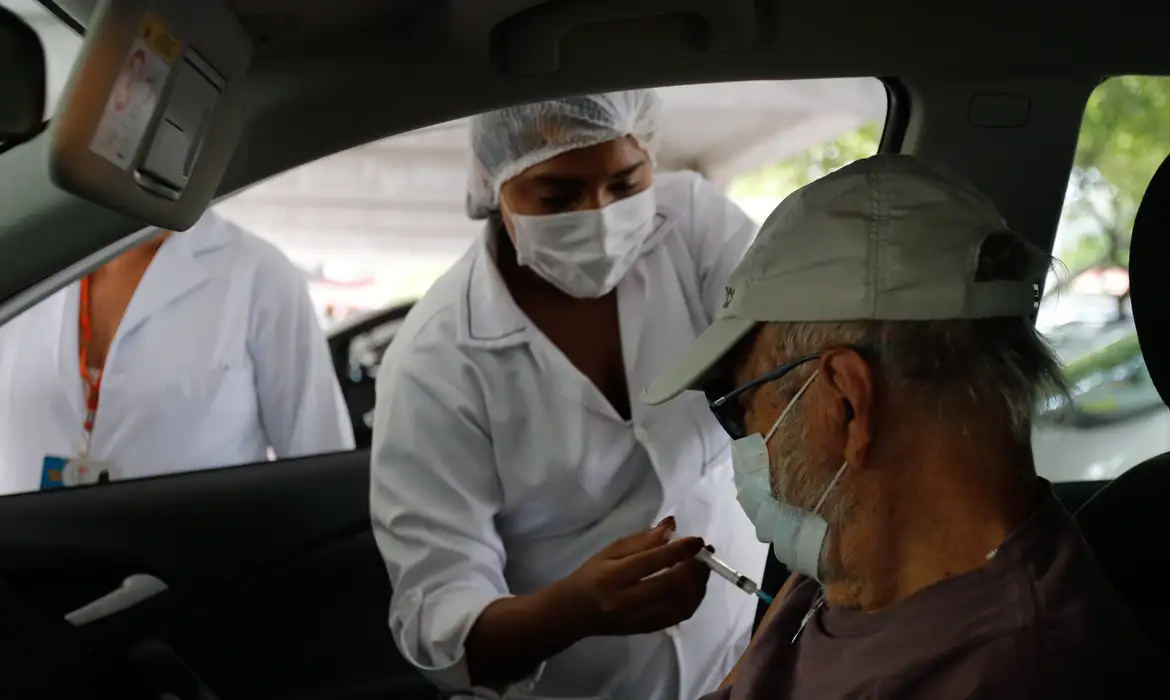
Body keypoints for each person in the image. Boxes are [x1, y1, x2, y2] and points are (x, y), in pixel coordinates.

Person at [641, 154, 1161, 699]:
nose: (745, 437)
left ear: (845, 402)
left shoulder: (1007, 673)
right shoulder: (853, 562)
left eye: (740, 405)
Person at [370, 90, 768, 699]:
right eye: (558, 196)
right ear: (494, 186)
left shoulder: (691, 225)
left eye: (626, 183)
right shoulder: (436, 363)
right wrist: (572, 612)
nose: (601, 216)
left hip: (740, 666)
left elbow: (788, 357)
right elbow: (441, 629)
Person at [0, 209, 355, 495]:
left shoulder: (257, 275)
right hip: (26, 565)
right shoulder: (23, 260)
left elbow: (323, 472)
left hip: (197, 575)